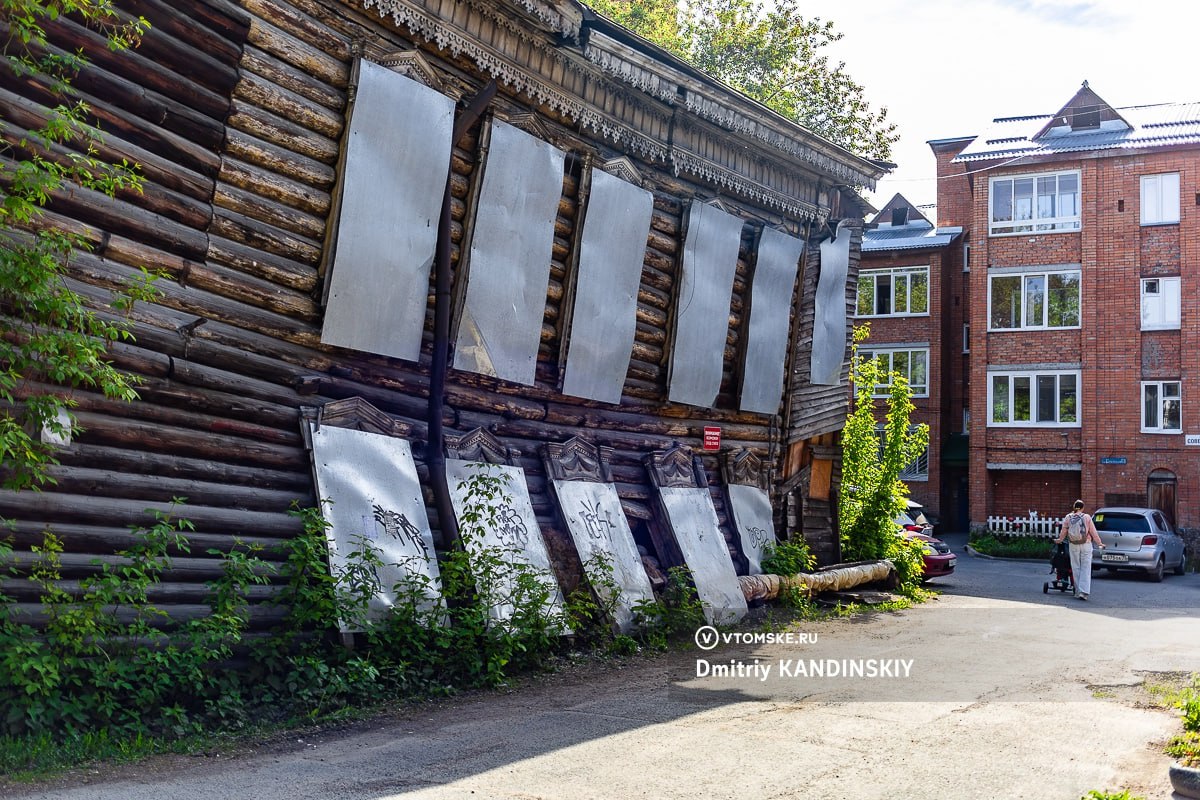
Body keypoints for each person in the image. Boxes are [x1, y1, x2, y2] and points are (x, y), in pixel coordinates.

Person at [1054, 499, 1105, 600]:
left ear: (1074, 507)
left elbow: (1064, 530)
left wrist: (1060, 540)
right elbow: (1093, 532)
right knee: (1085, 568)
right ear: (1082, 508)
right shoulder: (1086, 517)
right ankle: (1084, 592)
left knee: (1076, 568)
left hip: (1073, 545)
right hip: (1086, 544)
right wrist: (1099, 543)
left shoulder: (1068, 517)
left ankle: (1077, 591)